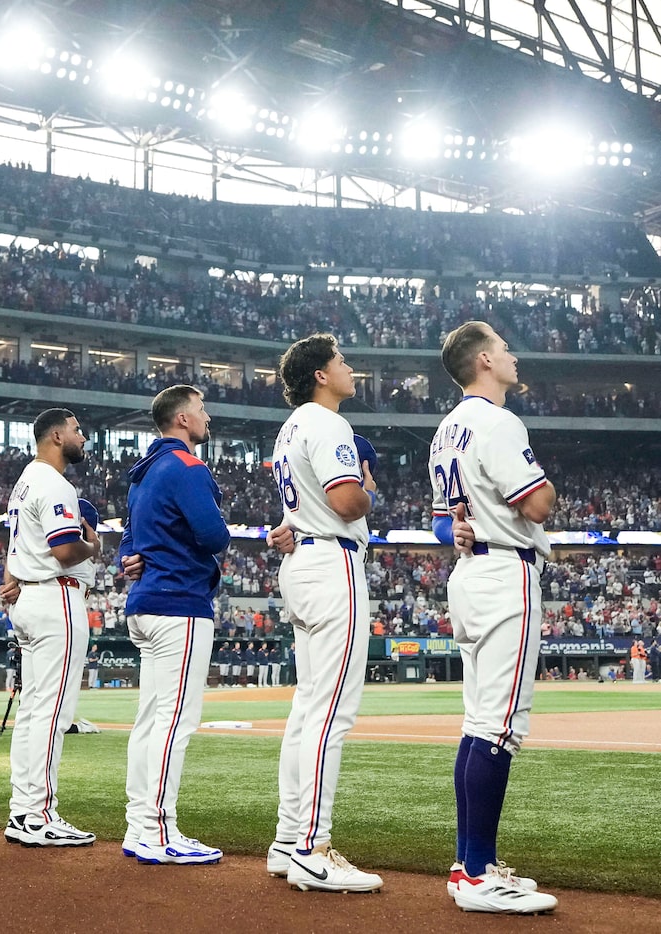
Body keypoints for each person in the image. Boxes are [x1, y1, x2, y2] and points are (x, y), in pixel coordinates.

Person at [430, 321, 559, 914]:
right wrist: (550, 489)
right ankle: (478, 874)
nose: (512, 357)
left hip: (470, 576)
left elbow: (441, 522)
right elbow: (534, 501)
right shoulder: (498, 420)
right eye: (504, 349)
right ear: (484, 360)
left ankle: (467, 865)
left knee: (479, 723)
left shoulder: (447, 428)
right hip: (507, 570)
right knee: (500, 727)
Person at [263, 334, 383, 893]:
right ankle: (313, 847)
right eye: (341, 362)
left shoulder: (290, 428)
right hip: (332, 562)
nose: (350, 368)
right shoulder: (329, 423)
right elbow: (344, 499)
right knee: (330, 714)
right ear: (319, 374)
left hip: (303, 563)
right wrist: (367, 488)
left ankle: (289, 840)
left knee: (309, 709)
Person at [118, 384, 228, 866]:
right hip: (178, 603)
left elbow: (129, 541)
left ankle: (138, 824)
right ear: (182, 419)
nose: (207, 418)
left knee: (149, 721)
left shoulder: (142, 474)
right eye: (201, 411)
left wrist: (131, 558)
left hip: (145, 604)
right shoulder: (186, 466)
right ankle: (158, 830)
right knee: (174, 722)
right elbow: (214, 534)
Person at [0, 408, 101, 847]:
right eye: (77, 430)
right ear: (57, 436)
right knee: (52, 713)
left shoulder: (24, 481)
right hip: (54, 596)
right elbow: (64, 549)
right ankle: (39, 815)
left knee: (33, 711)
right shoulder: (54, 482)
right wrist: (93, 544)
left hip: (30, 596)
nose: (82, 437)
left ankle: (23, 812)